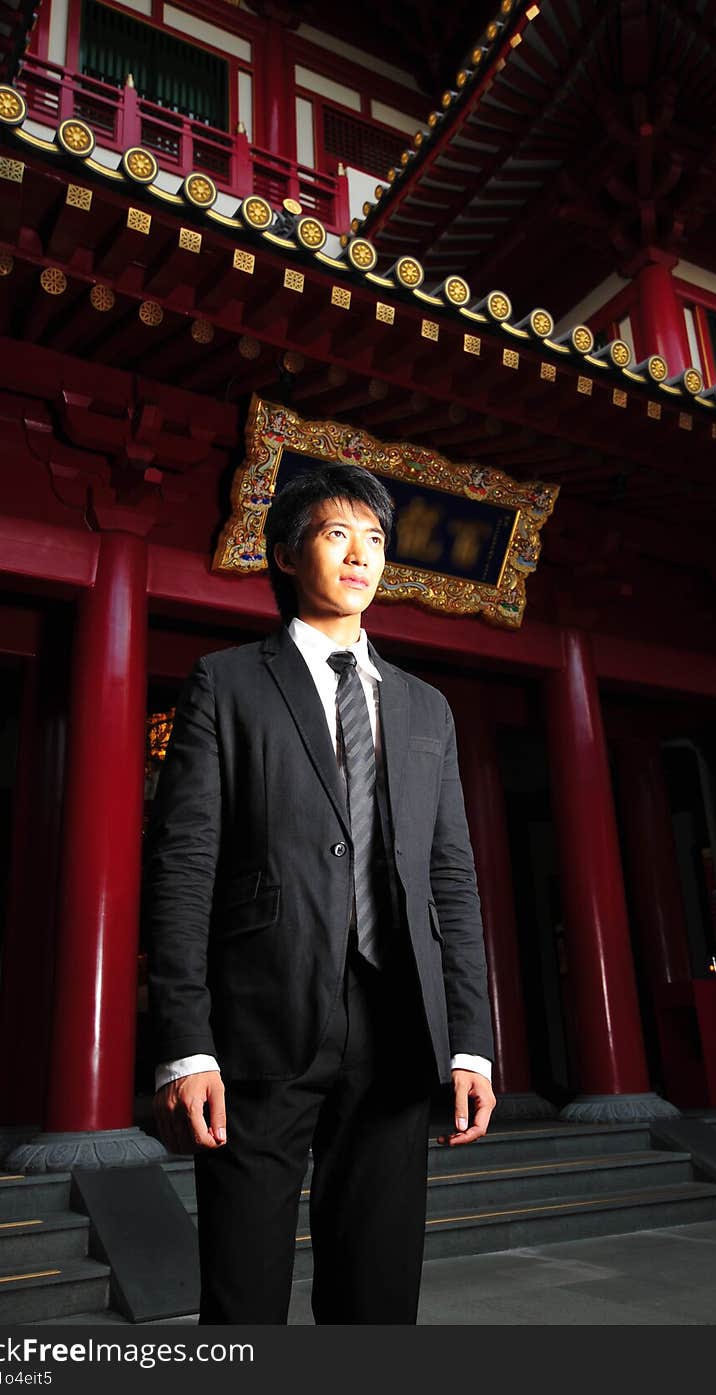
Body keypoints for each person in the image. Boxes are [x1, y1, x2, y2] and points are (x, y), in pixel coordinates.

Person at [145, 461, 495, 1325]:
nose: (361, 555)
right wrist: (187, 1043)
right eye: (338, 533)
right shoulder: (227, 684)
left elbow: (450, 880)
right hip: (261, 1022)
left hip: (397, 1027)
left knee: (378, 1297)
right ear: (287, 554)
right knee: (243, 1297)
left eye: (376, 538)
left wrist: (472, 1043)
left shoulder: (425, 709)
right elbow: (186, 865)